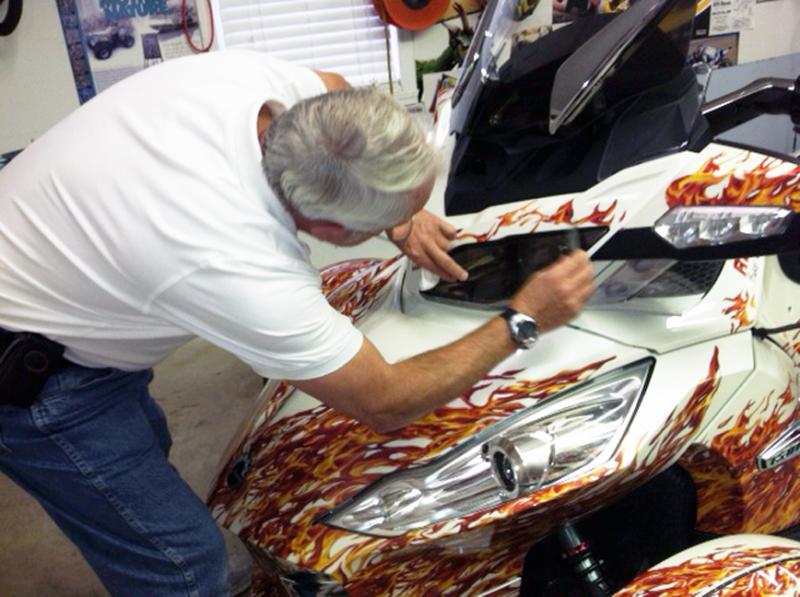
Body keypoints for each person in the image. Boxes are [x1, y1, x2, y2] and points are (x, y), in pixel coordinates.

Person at [0, 49, 594, 596]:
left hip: (57, 278)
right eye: (404, 212)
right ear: (330, 230)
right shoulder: (232, 257)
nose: (416, 221)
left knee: (143, 454)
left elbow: (335, 87)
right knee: (182, 566)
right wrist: (523, 319)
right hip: (32, 376)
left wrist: (398, 219)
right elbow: (383, 401)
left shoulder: (273, 94)